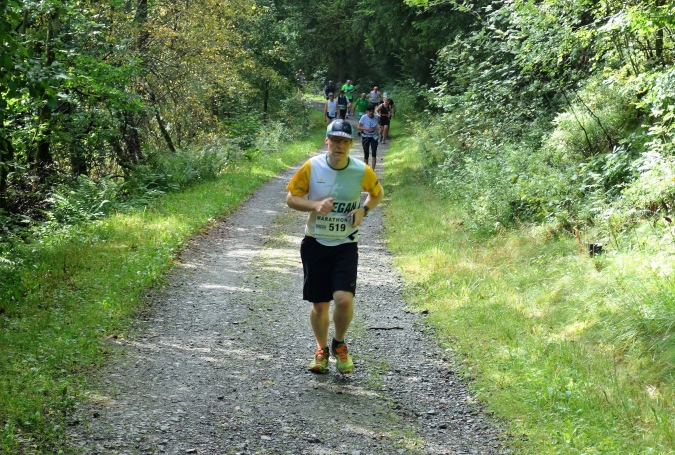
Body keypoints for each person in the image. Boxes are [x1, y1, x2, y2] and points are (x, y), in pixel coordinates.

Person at [286, 119, 384, 374]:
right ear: (327, 141)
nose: (340, 146)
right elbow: (291, 198)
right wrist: (314, 205)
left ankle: (339, 343)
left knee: (343, 300)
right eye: (335, 140)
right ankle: (321, 350)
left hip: (345, 243)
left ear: (350, 145)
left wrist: (363, 210)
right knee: (320, 305)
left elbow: (377, 194)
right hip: (315, 242)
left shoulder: (361, 170)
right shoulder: (312, 166)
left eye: (345, 141)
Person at [357, 104, 380, 169]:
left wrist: (380, 128)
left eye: (372, 111)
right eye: (369, 111)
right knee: (366, 154)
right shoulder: (363, 117)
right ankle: (366, 170)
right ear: (367, 111)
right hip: (365, 136)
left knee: (374, 153)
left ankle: (372, 171)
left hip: (374, 137)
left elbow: (379, 124)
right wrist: (366, 128)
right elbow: (358, 127)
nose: (371, 113)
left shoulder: (377, 117)